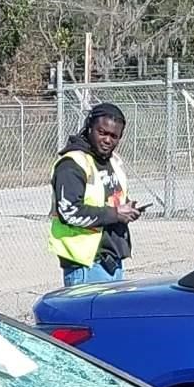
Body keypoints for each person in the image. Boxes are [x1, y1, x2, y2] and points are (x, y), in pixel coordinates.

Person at [49, 102, 144, 287]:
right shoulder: (72, 163)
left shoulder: (114, 162)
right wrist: (115, 213)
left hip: (113, 261)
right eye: (102, 133)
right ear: (89, 128)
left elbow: (111, 201)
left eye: (114, 136)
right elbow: (69, 212)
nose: (108, 140)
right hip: (85, 266)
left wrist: (127, 211)